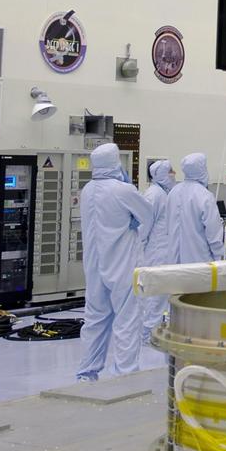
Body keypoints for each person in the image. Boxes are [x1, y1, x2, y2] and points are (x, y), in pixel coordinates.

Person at [76, 143, 153, 382]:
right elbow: (147, 215)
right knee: (127, 319)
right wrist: (134, 223)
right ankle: (125, 375)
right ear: (115, 163)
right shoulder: (123, 190)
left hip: (94, 266)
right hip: (122, 264)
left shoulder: (87, 190)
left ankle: (87, 373)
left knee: (95, 319)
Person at [167, 153, 225, 264]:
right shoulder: (204, 195)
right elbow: (213, 233)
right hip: (199, 263)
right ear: (201, 169)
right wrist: (219, 257)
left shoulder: (173, 192)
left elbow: (168, 226)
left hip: (173, 262)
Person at [141, 159, 176, 343]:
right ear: (161, 174)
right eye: (171, 171)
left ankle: (154, 330)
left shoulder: (164, 193)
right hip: (155, 252)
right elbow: (145, 225)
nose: (174, 174)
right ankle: (147, 334)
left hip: (164, 250)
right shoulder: (153, 194)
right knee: (154, 296)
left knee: (162, 294)